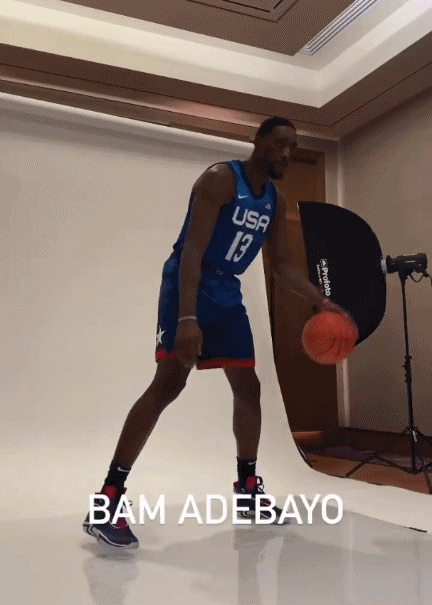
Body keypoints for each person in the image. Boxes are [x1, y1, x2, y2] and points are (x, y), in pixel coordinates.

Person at [83, 116, 349, 549]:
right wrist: (186, 318)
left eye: (292, 147)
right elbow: (192, 250)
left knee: (249, 388)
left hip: (227, 291)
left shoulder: (276, 200)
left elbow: (282, 265)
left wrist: (321, 301)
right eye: (278, 144)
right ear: (257, 141)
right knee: (168, 385)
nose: (286, 153)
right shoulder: (221, 179)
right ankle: (107, 501)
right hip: (188, 285)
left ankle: (248, 491)